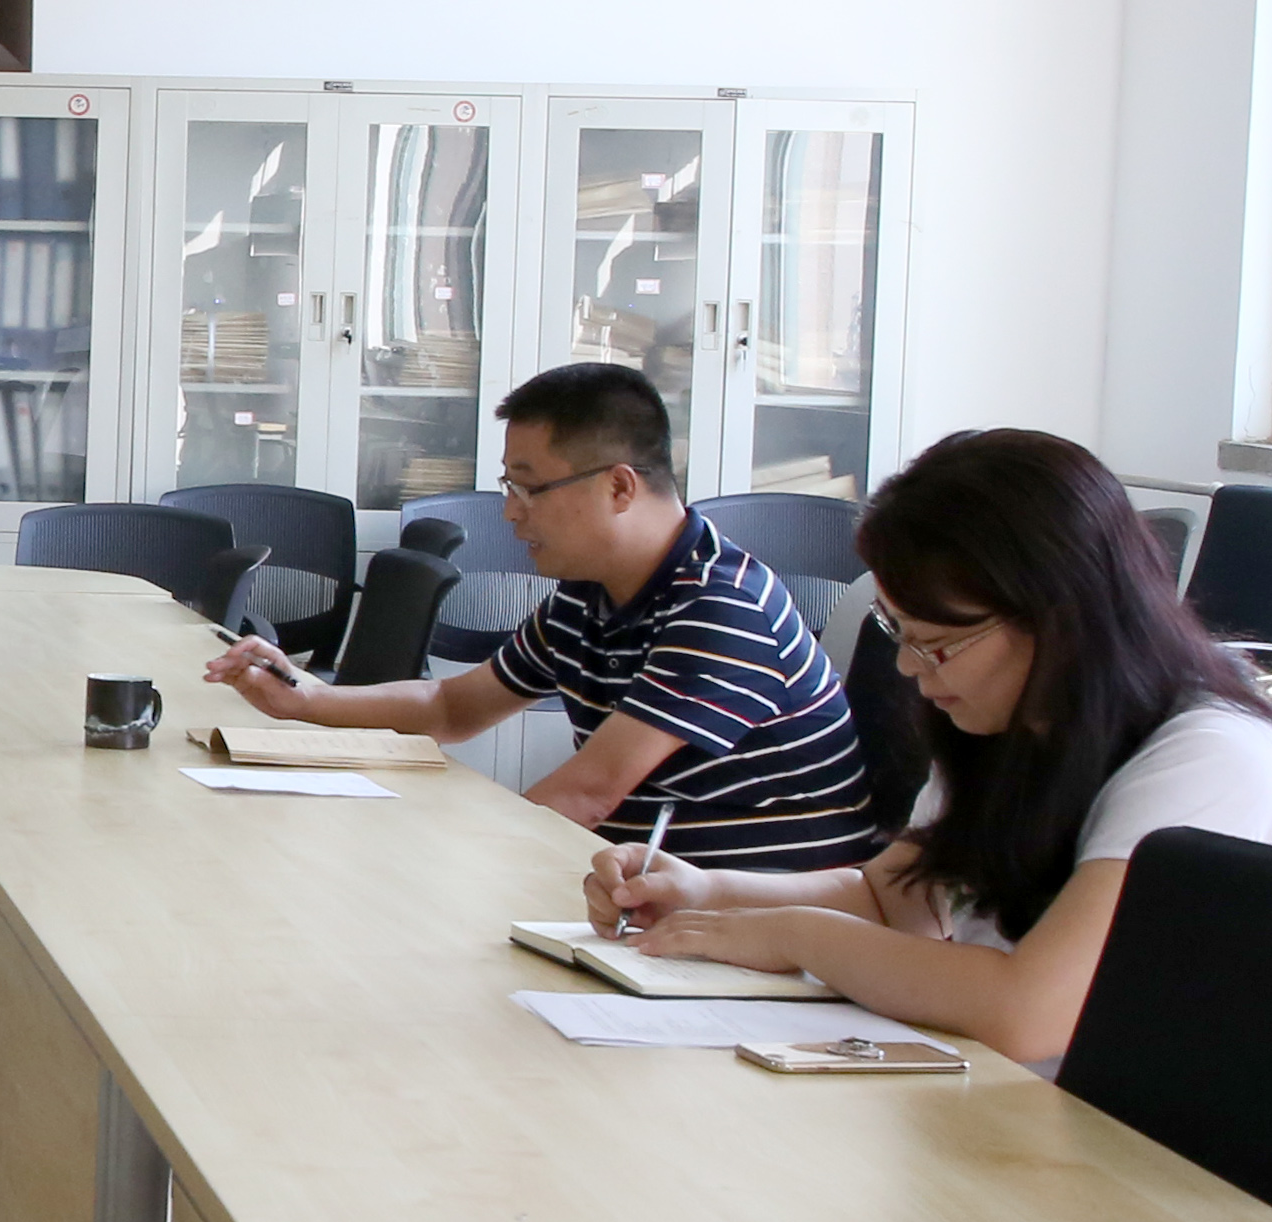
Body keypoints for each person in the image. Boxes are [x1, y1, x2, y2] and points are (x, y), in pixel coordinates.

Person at [583, 429, 1272, 1067]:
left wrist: (794, 935)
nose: (909, 668)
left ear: (1057, 616)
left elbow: (1028, 1012)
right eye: (899, 633)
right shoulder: (1015, 724)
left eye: (936, 643)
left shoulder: (1209, 758)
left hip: (1176, 1161)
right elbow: (892, 900)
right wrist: (708, 892)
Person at [202, 359, 881, 870]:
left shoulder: (720, 607)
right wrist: (308, 699)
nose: (509, 511)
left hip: (750, 929)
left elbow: (587, 795)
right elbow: (452, 706)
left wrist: (440, 865)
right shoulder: (590, 592)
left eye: (529, 488)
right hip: (646, 898)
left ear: (620, 486)